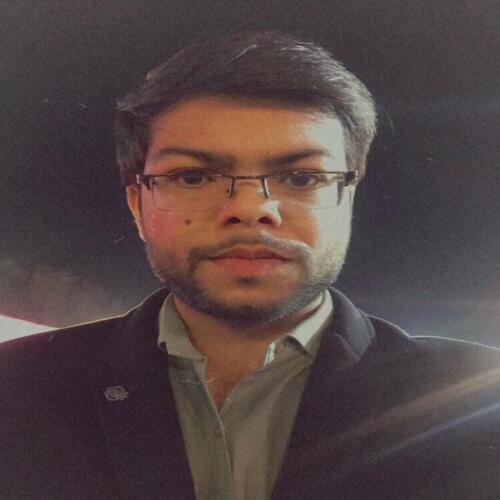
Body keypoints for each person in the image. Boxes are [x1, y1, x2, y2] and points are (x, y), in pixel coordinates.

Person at [1, 31, 500, 500]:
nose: (251, 208)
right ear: (137, 205)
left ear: (347, 197)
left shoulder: (478, 401)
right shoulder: (16, 391)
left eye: (301, 177)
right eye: (193, 177)